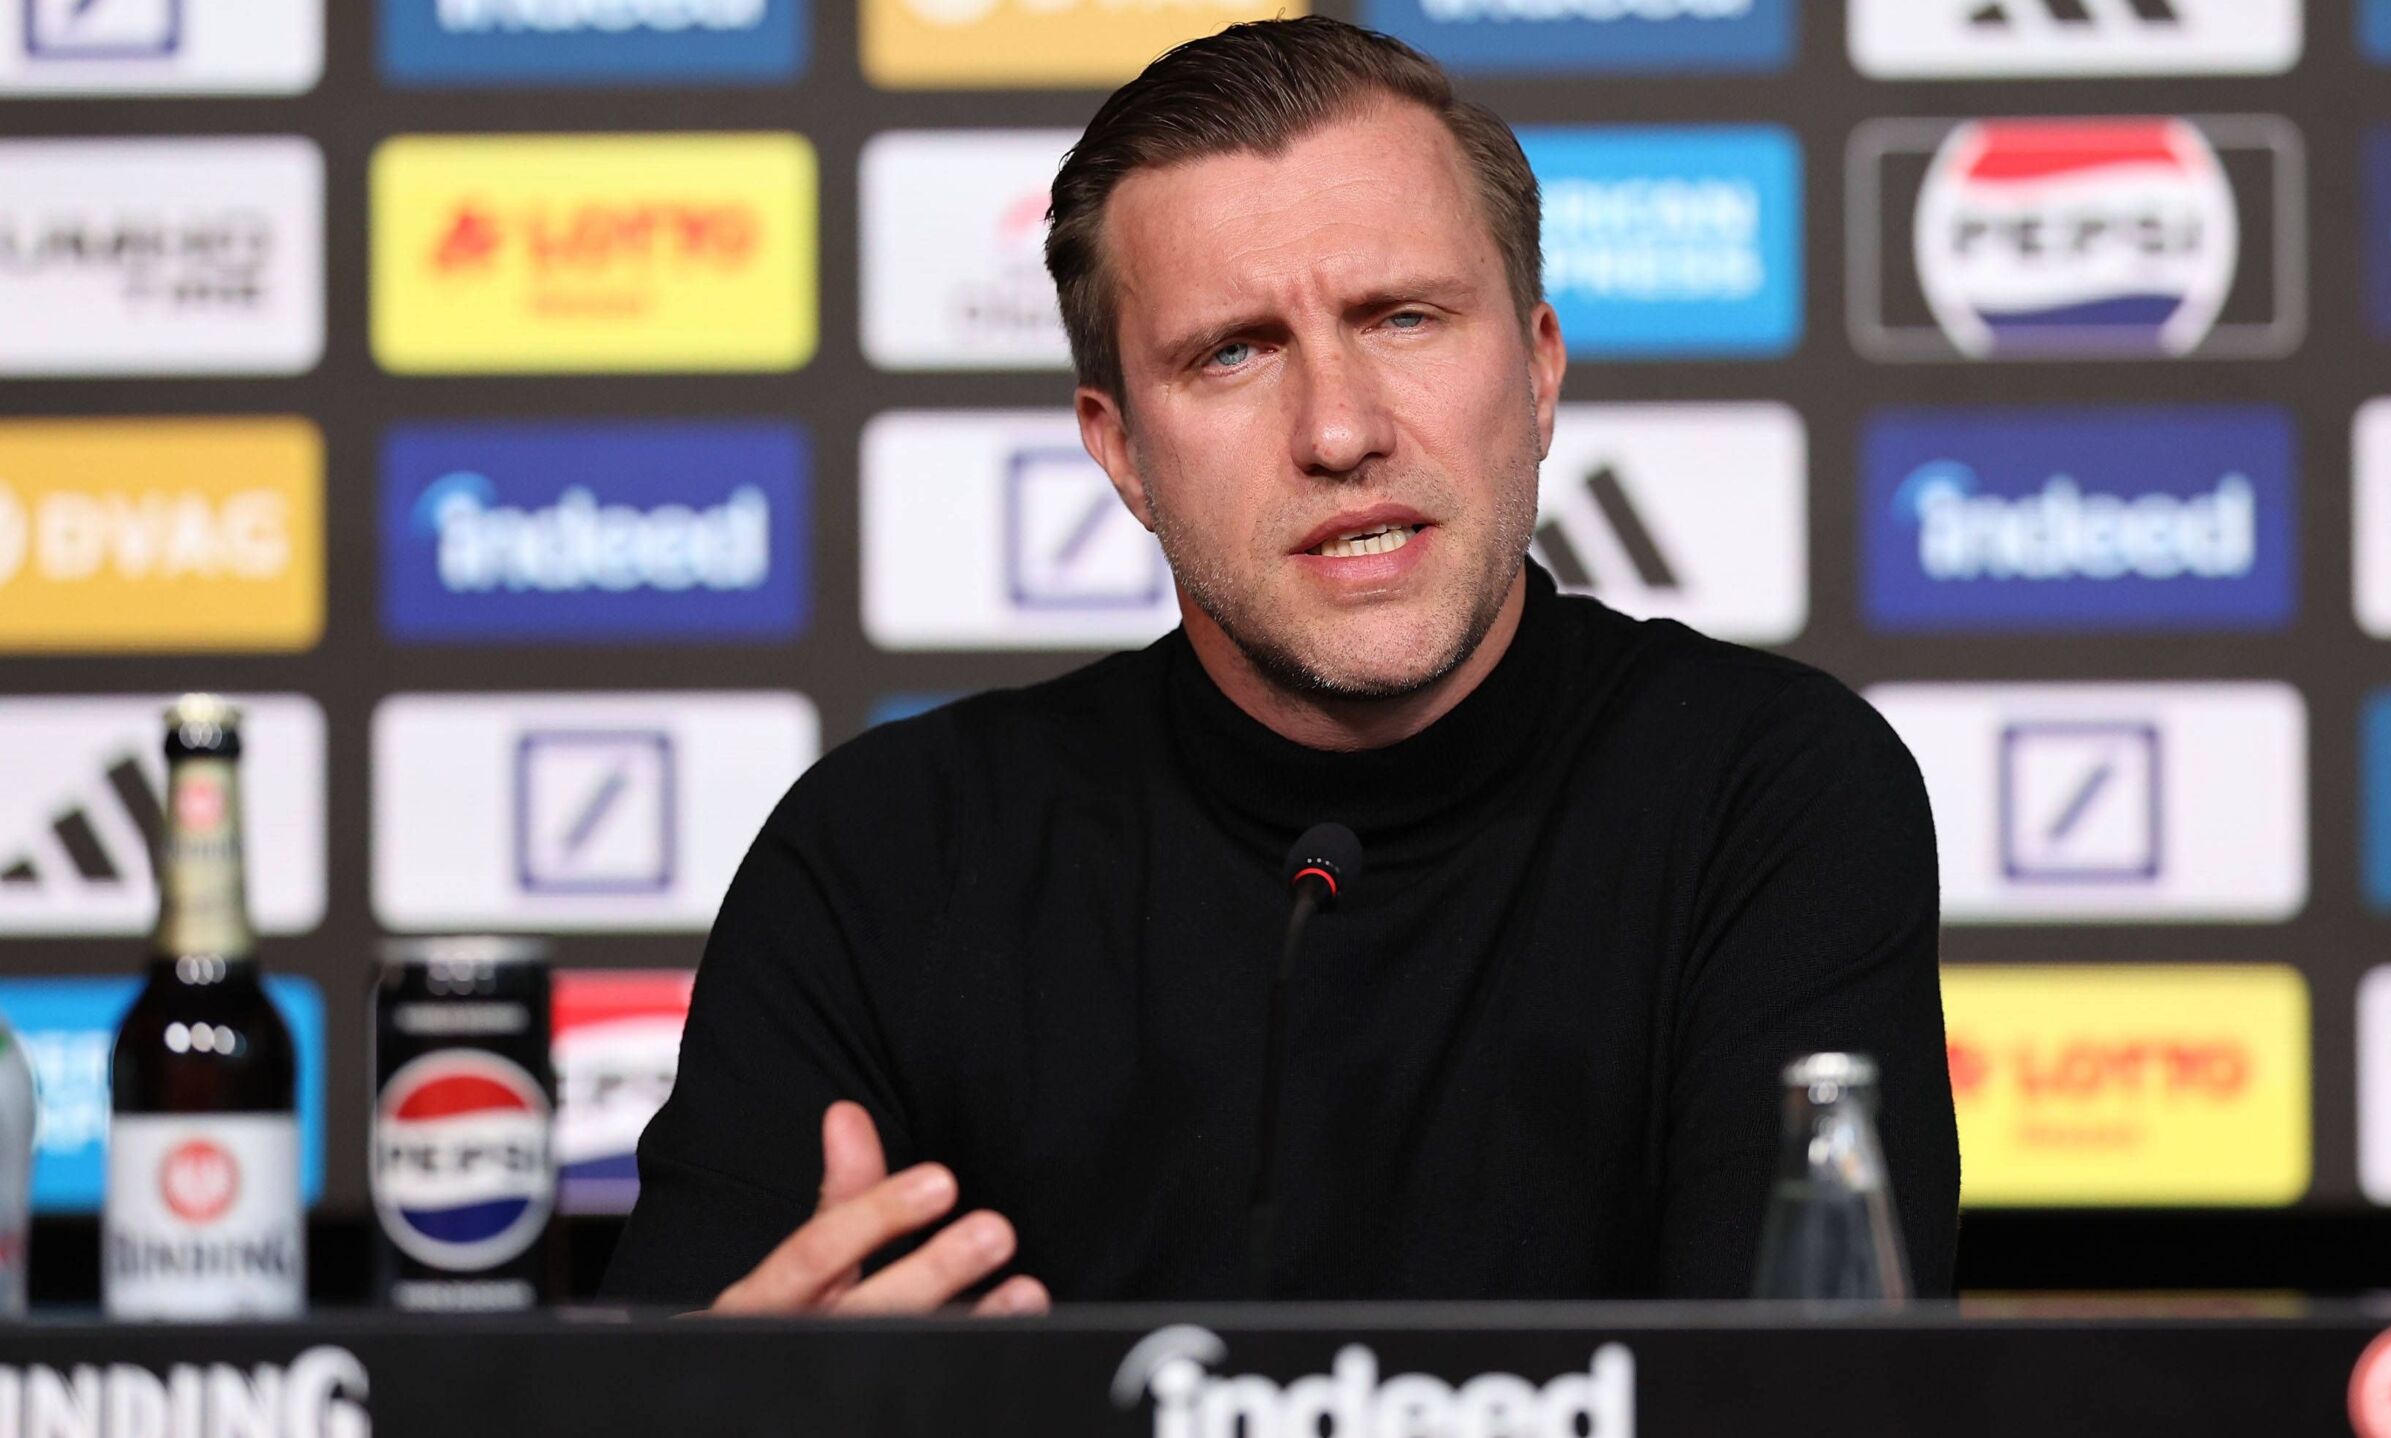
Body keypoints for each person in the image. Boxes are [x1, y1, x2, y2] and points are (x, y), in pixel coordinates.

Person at [601, 15, 1958, 1316]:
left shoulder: (1768, 794)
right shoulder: (889, 850)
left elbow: (1807, 1393)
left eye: (1403, 317)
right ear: (1122, 450)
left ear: (1540, 372)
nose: (1339, 430)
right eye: (1234, 352)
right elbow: (659, 1385)